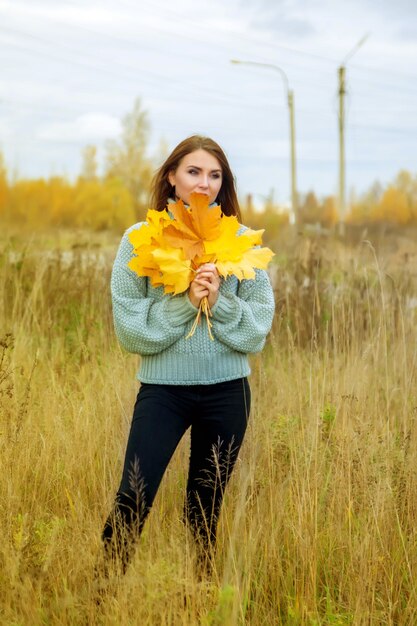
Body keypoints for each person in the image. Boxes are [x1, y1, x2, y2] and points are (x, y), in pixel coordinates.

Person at [101, 135, 275, 576]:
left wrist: (219, 302)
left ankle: (197, 601)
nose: (204, 183)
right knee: (132, 499)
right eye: (194, 172)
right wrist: (185, 303)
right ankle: (99, 600)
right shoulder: (139, 239)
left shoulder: (238, 241)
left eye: (215, 175)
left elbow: (256, 330)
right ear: (172, 177)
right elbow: (130, 331)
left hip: (227, 392)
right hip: (164, 392)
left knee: (204, 511)